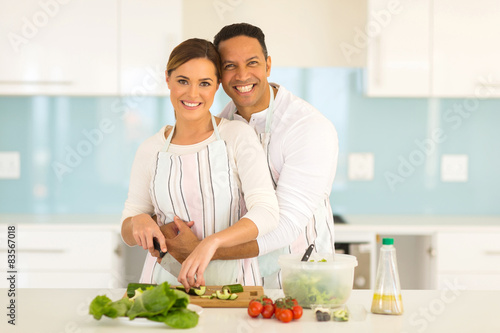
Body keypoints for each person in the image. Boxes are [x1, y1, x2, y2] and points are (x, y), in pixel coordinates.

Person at [162, 23, 339, 288]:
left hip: (301, 278)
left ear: (268, 66)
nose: (242, 75)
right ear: (219, 75)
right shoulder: (220, 125)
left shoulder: (307, 127)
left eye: (252, 63)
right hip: (241, 282)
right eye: (230, 66)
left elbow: (286, 226)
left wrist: (205, 249)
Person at [120, 38, 279, 289]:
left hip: (232, 287)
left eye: (204, 83)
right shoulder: (150, 149)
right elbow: (128, 229)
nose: (193, 94)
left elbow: (267, 213)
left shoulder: (237, 136)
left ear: (216, 85)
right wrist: (137, 221)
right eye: (183, 81)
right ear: (167, 79)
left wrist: (210, 243)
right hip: (162, 287)